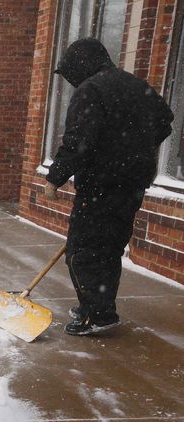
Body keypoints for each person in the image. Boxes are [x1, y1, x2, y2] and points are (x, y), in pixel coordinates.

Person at [45, 38, 173, 336]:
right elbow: (165, 120)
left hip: (101, 183)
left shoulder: (91, 90)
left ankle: (98, 315)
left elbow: (78, 142)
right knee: (110, 247)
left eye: (69, 74)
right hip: (132, 185)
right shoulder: (134, 85)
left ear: (81, 65)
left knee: (83, 251)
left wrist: (55, 177)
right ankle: (98, 305)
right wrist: (137, 148)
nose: (70, 81)